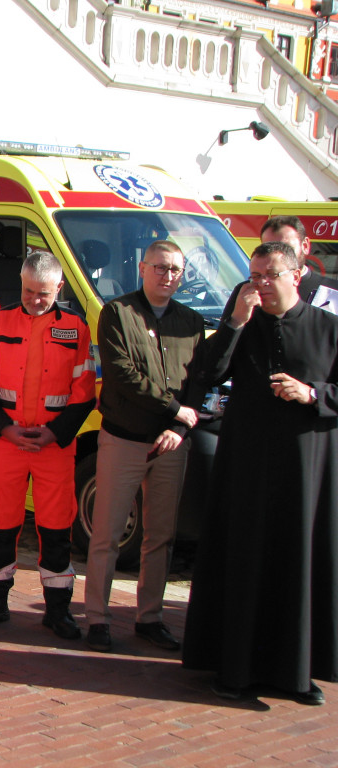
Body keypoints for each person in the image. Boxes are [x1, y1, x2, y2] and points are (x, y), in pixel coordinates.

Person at [183, 241, 338, 705]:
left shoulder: (328, 329)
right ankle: (235, 669)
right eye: (254, 277)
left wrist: (312, 395)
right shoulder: (241, 326)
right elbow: (206, 375)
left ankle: (296, 674)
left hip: (305, 469)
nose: (261, 285)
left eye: (270, 276)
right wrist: (233, 324)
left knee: (297, 563)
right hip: (247, 466)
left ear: (296, 275)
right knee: (244, 560)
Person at [83, 240, 204, 654]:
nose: (167, 276)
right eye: (160, 267)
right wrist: (175, 408)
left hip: (171, 443)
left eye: (174, 270)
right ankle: (97, 619)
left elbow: (196, 384)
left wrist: (179, 425)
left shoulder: (191, 322)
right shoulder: (118, 313)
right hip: (124, 439)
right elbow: (121, 374)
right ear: (143, 267)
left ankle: (149, 617)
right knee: (106, 536)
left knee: (160, 537)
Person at [0, 252, 96, 638]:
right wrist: (5, 429)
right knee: (1, 523)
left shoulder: (75, 327)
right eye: (27, 291)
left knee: (57, 527)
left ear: (59, 287)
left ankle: (58, 610)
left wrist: (55, 433)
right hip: (7, 443)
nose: (34, 299)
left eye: (43, 293)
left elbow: (84, 391)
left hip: (53, 447)